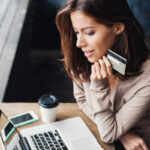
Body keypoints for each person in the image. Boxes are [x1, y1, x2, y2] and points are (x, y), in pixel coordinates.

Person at [55, 0, 150, 149]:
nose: (79, 43)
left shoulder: (146, 78)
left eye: (89, 32)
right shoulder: (84, 57)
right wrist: (123, 133)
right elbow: (81, 98)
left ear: (117, 27)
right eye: (76, 32)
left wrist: (99, 87)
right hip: (107, 138)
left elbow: (108, 134)